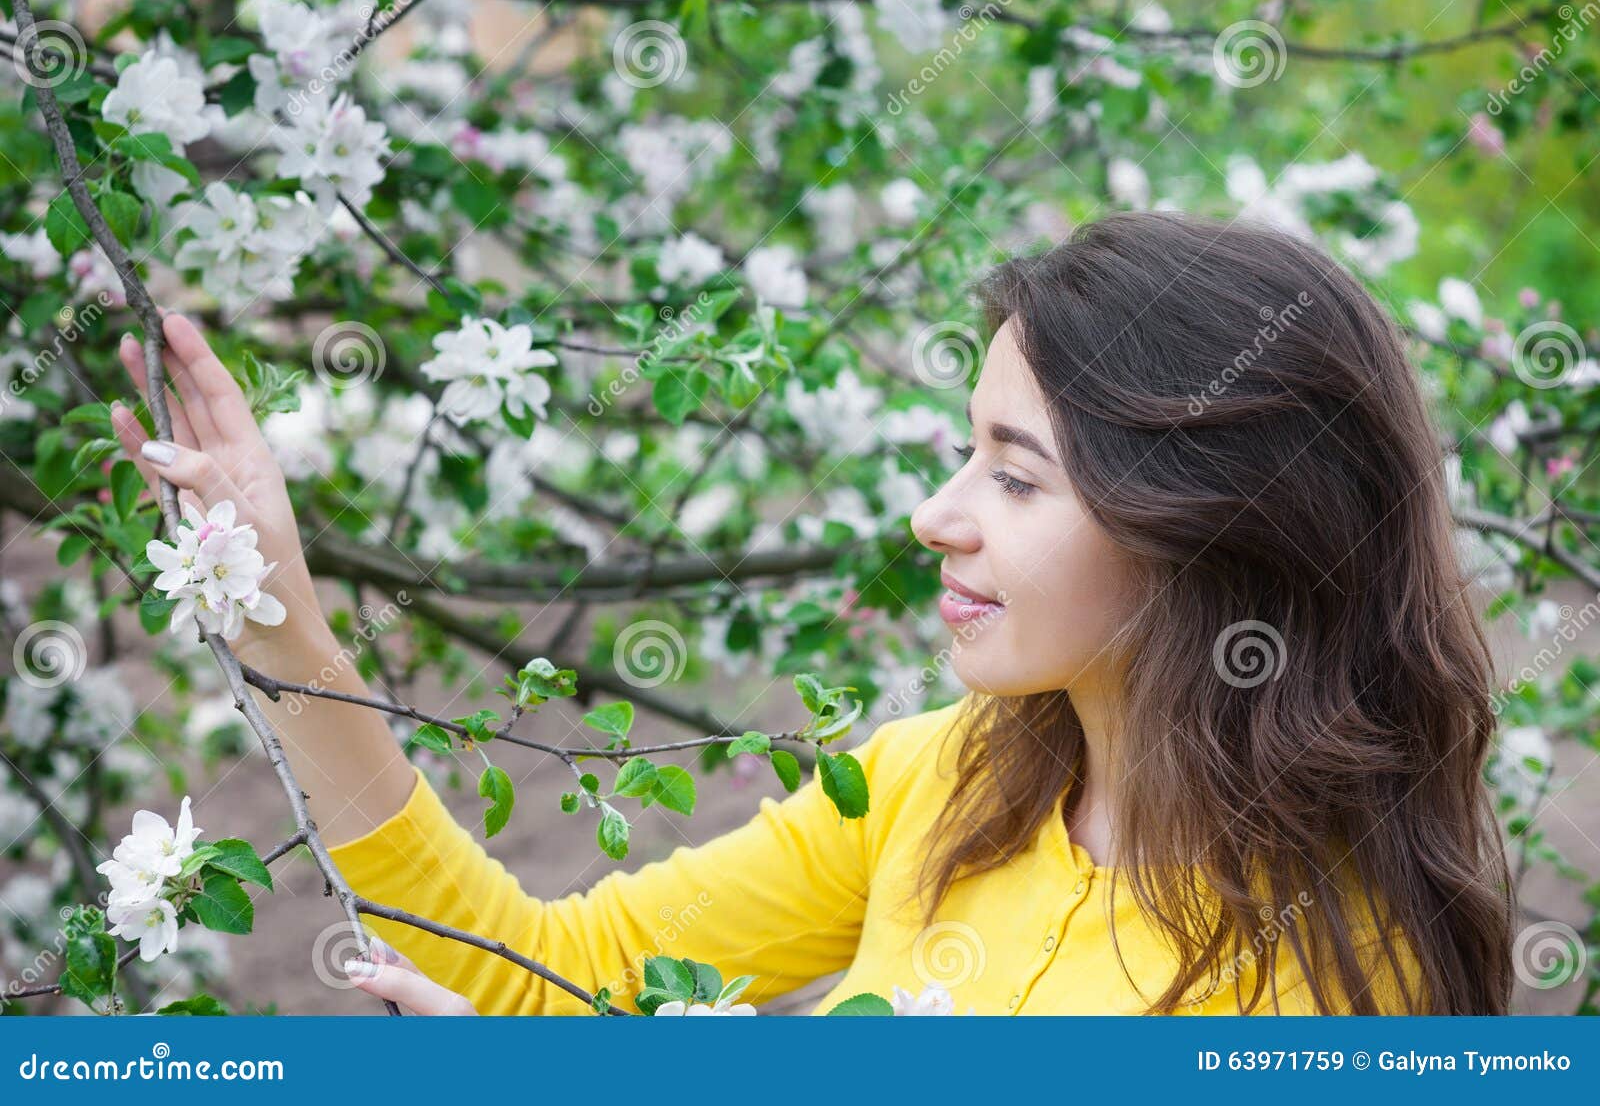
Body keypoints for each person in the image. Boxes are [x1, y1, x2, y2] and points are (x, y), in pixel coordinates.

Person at [110, 211, 1514, 1016]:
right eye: (969, 449)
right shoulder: (941, 782)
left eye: (1016, 477)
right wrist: (280, 610)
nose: (936, 515)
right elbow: (556, 975)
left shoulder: (1325, 971)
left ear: (1210, 529)